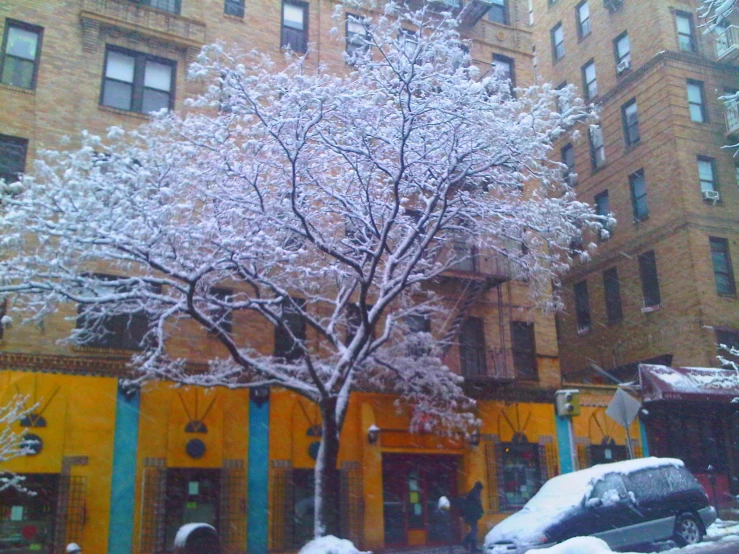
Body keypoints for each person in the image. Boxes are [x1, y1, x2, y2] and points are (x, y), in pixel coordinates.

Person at [461, 481, 484, 553]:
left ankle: (467, 543)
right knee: (474, 530)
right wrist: (480, 511)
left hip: (471, 515)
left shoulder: (472, 494)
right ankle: (471, 546)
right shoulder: (475, 494)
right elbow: (477, 505)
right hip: (472, 515)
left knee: (474, 530)